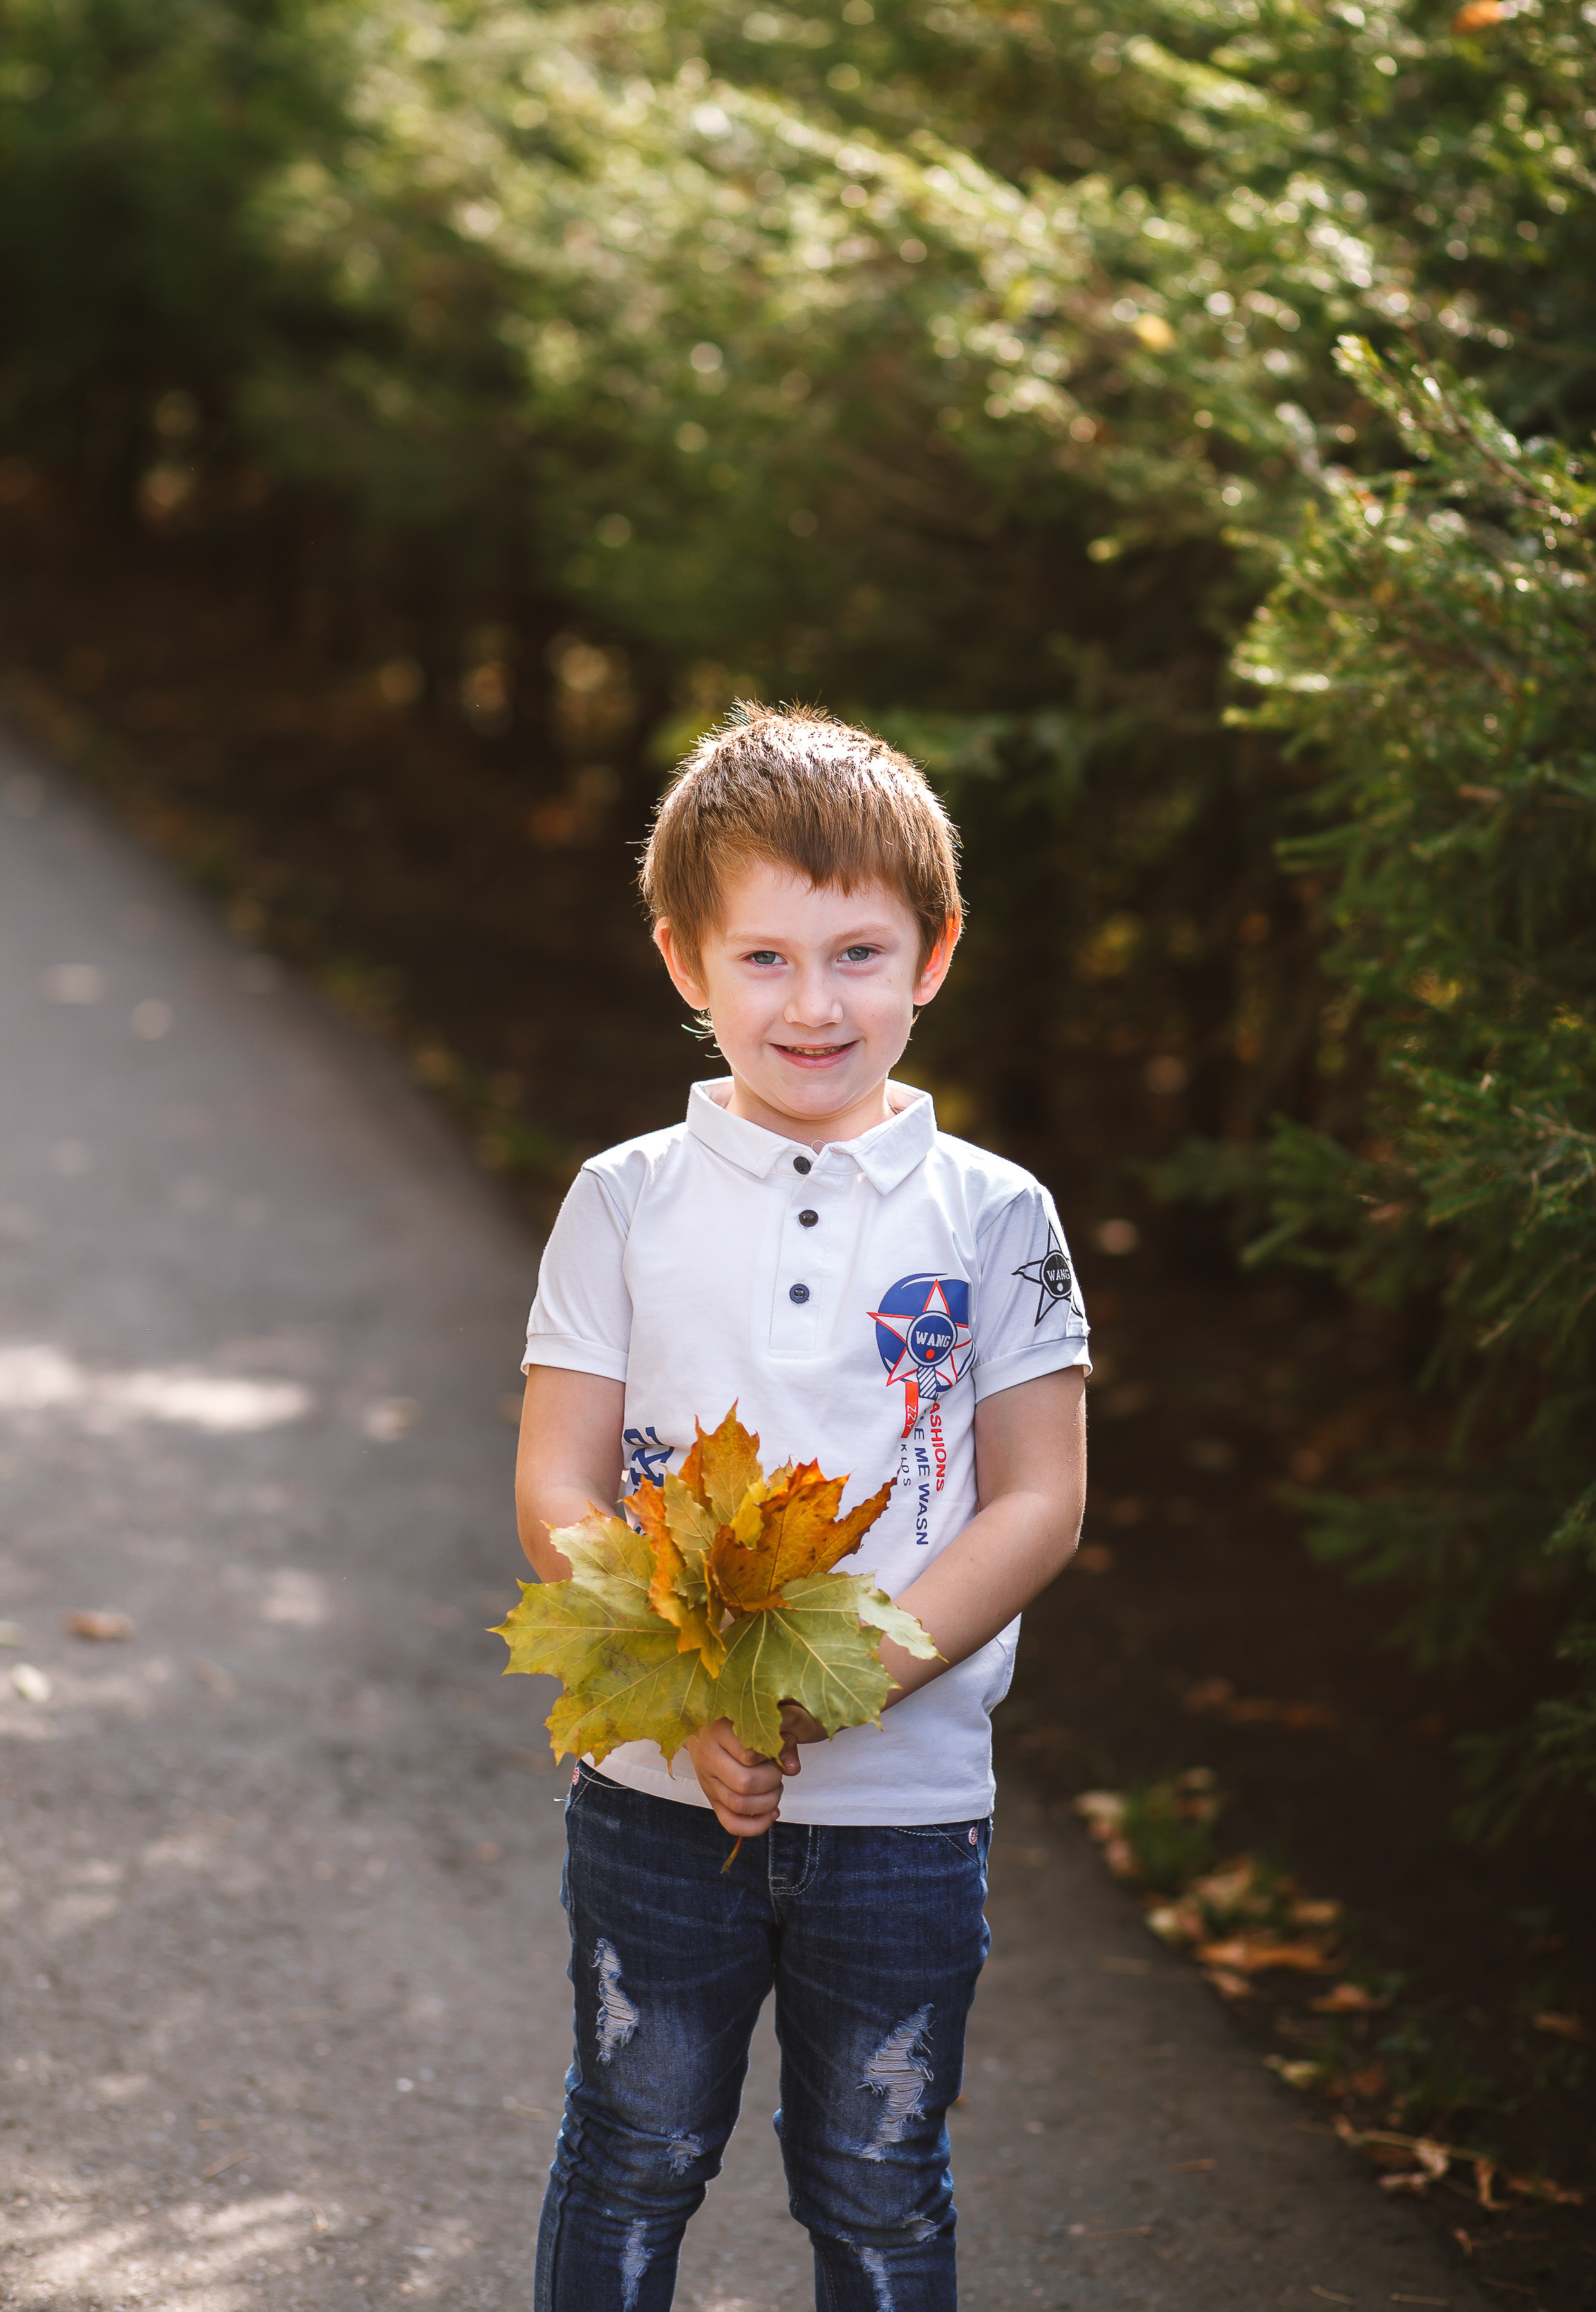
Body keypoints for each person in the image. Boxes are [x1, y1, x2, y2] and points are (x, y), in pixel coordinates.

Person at [515, 704, 1089, 2312]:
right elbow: (561, 1479)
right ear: (684, 963)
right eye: (763, 958)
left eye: (857, 952)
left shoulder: (997, 1215)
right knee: (631, 2152)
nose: (814, 1002)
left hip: (907, 1809)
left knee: (881, 2184)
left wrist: (846, 1685)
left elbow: (1038, 1501)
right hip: (654, 1797)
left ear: (936, 953)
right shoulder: (625, 1199)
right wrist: (705, 1696)